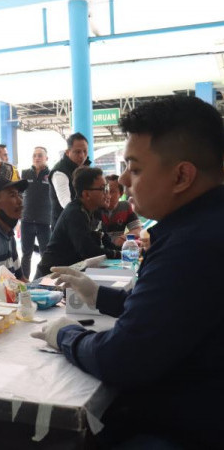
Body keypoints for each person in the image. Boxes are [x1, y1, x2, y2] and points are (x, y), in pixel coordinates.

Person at [31, 96, 224, 448]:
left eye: (134, 168)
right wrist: (98, 295)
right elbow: (168, 315)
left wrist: (65, 335)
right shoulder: (202, 225)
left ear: (182, 175)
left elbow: (121, 358)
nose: (121, 180)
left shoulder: (192, 245)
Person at [35, 167, 120, 278]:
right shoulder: (74, 213)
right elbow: (89, 252)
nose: (107, 194)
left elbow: (106, 243)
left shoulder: (95, 212)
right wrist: (119, 254)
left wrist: (129, 252)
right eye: (103, 189)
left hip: (70, 276)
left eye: (107, 188)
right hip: (49, 279)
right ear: (86, 195)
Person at [20, 146, 51, 279]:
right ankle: (24, 282)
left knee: (46, 254)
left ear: (46, 158)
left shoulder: (52, 174)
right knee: (26, 254)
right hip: (26, 221)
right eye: (34, 155)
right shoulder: (25, 173)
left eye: (40, 155)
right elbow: (18, 195)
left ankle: (44, 280)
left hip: (44, 221)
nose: (37, 158)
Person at [48, 132, 90, 228]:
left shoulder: (84, 167)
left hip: (81, 222)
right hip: (63, 227)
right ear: (67, 152)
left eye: (85, 151)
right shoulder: (60, 172)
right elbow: (66, 202)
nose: (82, 156)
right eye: (77, 152)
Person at [97, 174, 142, 247]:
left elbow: (138, 229)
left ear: (121, 194)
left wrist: (123, 238)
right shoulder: (96, 208)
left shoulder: (125, 206)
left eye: (112, 191)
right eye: (105, 191)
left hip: (117, 249)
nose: (108, 195)